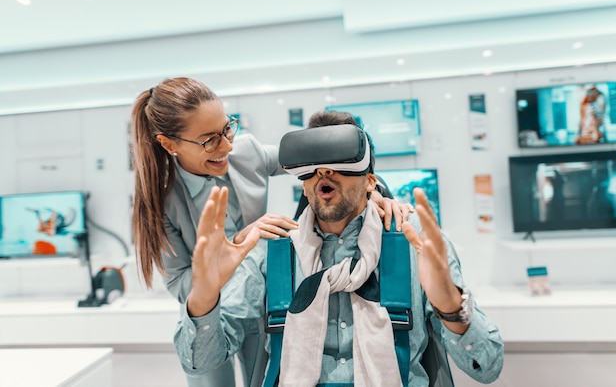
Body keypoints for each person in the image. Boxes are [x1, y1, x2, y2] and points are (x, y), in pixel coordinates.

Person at [174, 111, 504, 386]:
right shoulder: (272, 249)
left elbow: (488, 366)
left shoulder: (413, 242)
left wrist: (450, 307)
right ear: (302, 180)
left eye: (338, 162)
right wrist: (203, 299)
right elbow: (200, 363)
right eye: (314, 166)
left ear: (371, 180)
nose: (325, 173)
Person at [130, 78, 412, 386]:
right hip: (212, 307)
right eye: (209, 140)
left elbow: (324, 158)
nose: (226, 146)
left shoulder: (245, 151)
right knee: (205, 368)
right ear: (169, 144)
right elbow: (182, 286)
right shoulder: (160, 203)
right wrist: (234, 247)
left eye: (227, 129)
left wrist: (375, 192)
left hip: (261, 299)